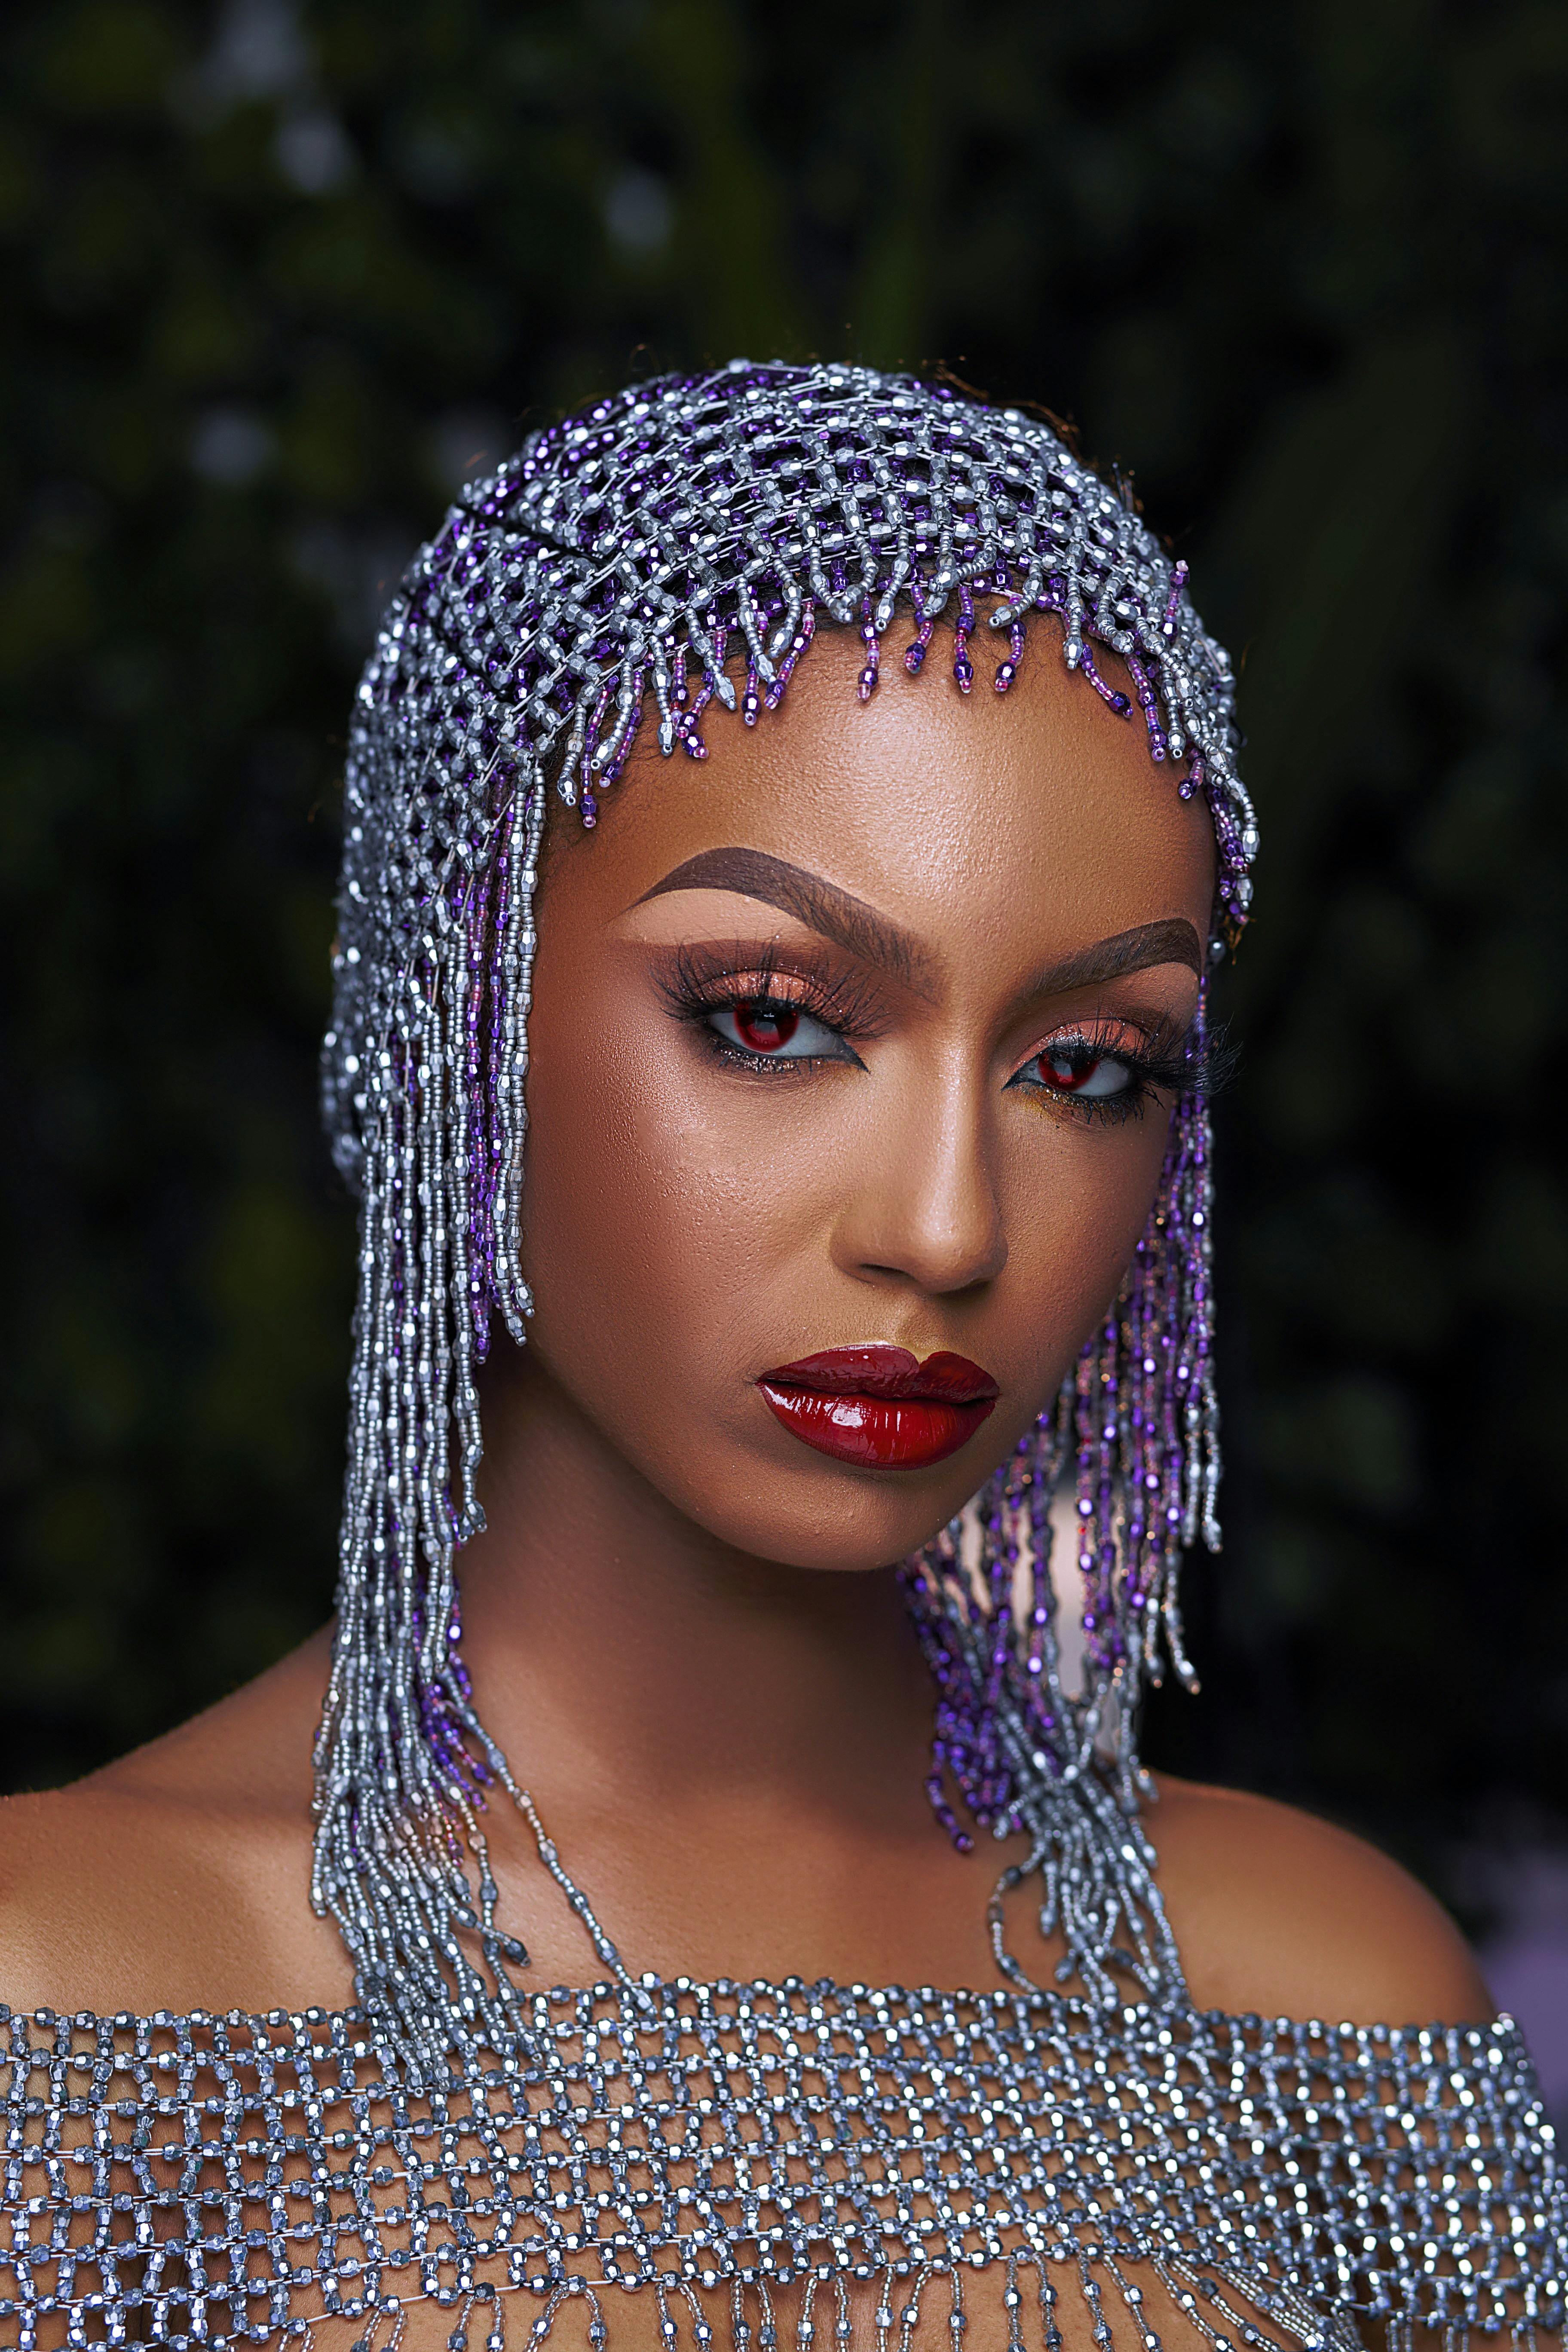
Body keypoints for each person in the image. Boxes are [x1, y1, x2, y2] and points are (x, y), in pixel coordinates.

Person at [0, 362, 1559, 2352]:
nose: (947, 1225)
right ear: (447, 1005)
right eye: (769, 1020)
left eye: (1088, 1068)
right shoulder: (69, 2016)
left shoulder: (1324, 2005)